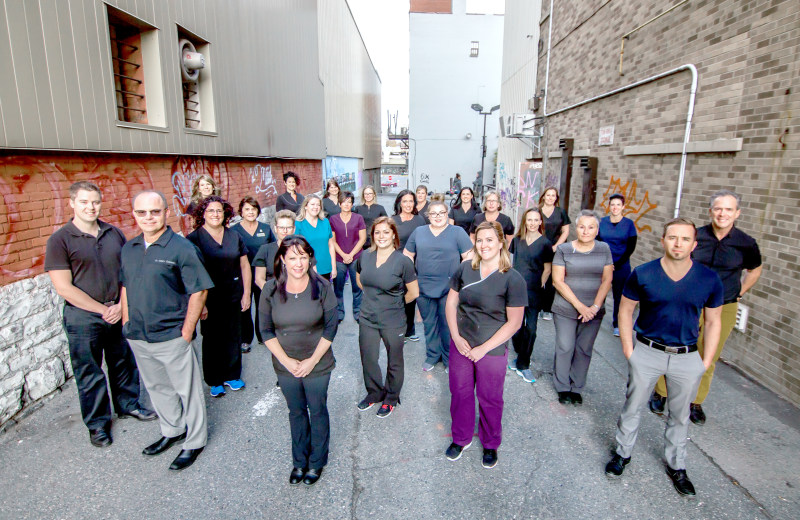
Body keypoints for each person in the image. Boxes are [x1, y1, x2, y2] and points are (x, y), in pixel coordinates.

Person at [605, 218, 723, 497]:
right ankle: (622, 454)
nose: (678, 243)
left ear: (694, 244)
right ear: (663, 240)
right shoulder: (644, 273)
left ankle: (676, 465)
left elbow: (714, 322)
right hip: (647, 351)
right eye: (672, 237)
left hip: (687, 356)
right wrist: (628, 349)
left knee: (680, 415)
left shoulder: (708, 278)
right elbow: (625, 310)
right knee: (632, 406)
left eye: (684, 239)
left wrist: (705, 362)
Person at [45, 181, 154, 448]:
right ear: (72, 203)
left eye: (95, 202)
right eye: (84, 202)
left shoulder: (112, 233)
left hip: (117, 308)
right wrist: (102, 310)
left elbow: (127, 271)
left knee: (123, 361)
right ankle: (98, 424)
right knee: (89, 371)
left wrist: (120, 305)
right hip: (83, 317)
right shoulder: (60, 239)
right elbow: (63, 287)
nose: (90, 207)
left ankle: (128, 404)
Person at [650, 189, 762, 424]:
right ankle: (662, 392)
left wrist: (739, 292)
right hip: (689, 303)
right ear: (710, 211)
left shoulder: (746, 243)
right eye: (718, 208)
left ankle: (695, 401)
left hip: (723, 306)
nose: (723, 214)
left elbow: (755, 270)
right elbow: (674, 260)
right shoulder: (695, 236)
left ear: (737, 213)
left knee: (708, 355)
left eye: (729, 209)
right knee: (673, 347)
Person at [121, 190, 213, 471]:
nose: (148, 217)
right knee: (158, 388)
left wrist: (186, 333)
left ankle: (195, 440)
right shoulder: (130, 248)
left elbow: (199, 291)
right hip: (139, 335)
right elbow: (125, 287)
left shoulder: (181, 248)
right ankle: (172, 430)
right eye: (142, 212)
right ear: (134, 214)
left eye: (155, 211)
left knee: (189, 391)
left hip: (172, 335)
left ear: (165, 213)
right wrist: (127, 324)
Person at [444, 221, 526, 468]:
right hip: (462, 343)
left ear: (501, 242)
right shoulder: (464, 269)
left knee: (490, 397)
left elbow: (514, 323)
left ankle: (490, 443)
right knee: (460, 392)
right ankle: (461, 437)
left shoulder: (513, 279)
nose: (484, 245)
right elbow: (451, 304)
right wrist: (457, 338)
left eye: (490, 239)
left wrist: (483, 348)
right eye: (480, 240)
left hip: (492, 347)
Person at [259, 236, 339, 486]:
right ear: (282, 259)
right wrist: (287, 361)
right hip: (285, 365)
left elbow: (330, 329)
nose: (298, 263)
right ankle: (299, 461)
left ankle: (316, 462)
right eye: (292, 257)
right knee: (295, 411)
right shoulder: (270, 290)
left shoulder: (323, 286)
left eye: (303, 257)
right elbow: (265, 331)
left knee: (317, 410)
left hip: (317, 363)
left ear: (310, 258)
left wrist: (311, 361)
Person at [355, 217, 419, 417]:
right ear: (372, 235)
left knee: (395, 360)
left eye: (386, 232)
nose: (381, 236)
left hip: (393, 320)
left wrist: (394, 304)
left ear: (393, 235)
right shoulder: (365, 256)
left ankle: (391, 398)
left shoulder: (403, 262)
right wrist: (374, 298)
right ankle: (374, 393)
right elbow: (360, 280)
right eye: (377, 232)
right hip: (367, 318)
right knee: (369, 358)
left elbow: (413, 293)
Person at [187, 196, 251, 398]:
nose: (215, 214)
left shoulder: (234, 237)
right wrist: (201, 304)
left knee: (233, 335)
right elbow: (191, 274)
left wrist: (247, 293)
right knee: (212, 338)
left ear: (225, 214)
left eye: (219, 211)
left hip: (233, 293)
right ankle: (215, 380)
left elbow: (244, 265)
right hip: (208, 298)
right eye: (211, 211)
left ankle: (232, 375)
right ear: (202, 215)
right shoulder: (194, 239)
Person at [551, 210, 613, 405]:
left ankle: (577, 386)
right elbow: (558, 281)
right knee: (565, 346)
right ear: (576, 228)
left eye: (591, 227)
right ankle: (562, 387)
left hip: (593, 311)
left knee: (584, 348)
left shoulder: (604, 249)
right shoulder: (564, 250)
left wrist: (594, 307)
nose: (586, 231)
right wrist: (580, 306)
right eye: (581, 226)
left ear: (597, 230)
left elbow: (607, 279)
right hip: (566, 308)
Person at [405, 200, 473, 371]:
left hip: (449, 288)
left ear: (447, 214)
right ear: (427, 216)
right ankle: (432, 356)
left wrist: (460, 278)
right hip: (423, 286)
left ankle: (449, 358)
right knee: (429, 324)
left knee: (447, 324)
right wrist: (411, 277)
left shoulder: (457, 232)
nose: (437, 216)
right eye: (433, 213)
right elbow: (407, 255)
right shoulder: (419, 232)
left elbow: (469, 256)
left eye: (441, 213)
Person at [509, 208, 554, 383]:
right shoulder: (517, 240)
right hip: (515, 289)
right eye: (529, 220)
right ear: (525, 222)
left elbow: (548, 268)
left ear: (540, 222)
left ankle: (523, 364)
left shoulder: (545, 243)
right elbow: (512, 262)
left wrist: (540, 284)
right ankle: (520, 356)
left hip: (534, 290)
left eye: (536, 220)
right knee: (516, 326)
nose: (533, 223)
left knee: (532, 329)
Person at [230, 197, 275, 353]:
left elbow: (273, 249)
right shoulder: (234, 231)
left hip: (262, 274)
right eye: (247, 209)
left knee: (263, 306)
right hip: (242, 275)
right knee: (245, 306)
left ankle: (263, 335)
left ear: (258, 211)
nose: (250, 212)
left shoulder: (266, 228)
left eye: (253, 209)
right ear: (241, 211)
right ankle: (245, 339)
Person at [597, 193, 638, 337]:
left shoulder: (628, 224)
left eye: (618, 205)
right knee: (598, 291)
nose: (615, 208)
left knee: (619, 295)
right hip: (603, 263)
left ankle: (617, 323)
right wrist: (605, 262)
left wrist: (617, 263)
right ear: (609, 206)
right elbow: (597, 243)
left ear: (623, 207)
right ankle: (594, 316)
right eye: (612, 204)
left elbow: (631, 246)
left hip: (621, 265)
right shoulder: (602, 222)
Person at [391, 190, 426, 341]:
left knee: (411, 296)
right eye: (404, 201)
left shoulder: (420, 220)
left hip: (416, 263)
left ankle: (410, 331)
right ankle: (398, 330)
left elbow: (425, 241)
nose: (408, 204)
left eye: (411, 201)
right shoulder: (392, 220)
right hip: (397, 263)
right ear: (399, 203)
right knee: (398, 296)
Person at [330, 191, 366, 322]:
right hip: (339, 258)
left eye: (349, 202)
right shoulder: (333, 219)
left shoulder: (358, 218)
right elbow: (332, 241)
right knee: (338, 287)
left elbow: (362, 239)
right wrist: (343, 255)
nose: (346, 204)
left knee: (357, 286)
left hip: (355, 257)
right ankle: (339, 313)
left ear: (352, 204)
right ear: (339, 203)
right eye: (344, 202)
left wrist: (350, 254)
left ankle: (358, 312)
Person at [539, 186, 571, 320]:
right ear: (543, 196)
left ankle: (547, 309)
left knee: (552, 278)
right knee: (539, 276)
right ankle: (537, 305)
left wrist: (556, 246)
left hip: (555, 249)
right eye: (548, 195)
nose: (550, 197)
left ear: (556, 198)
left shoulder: (561, 212)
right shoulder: (537, 211)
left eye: (553, 195)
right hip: (540, 247)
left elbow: (566, 231)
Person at [295, 195, 336, 281]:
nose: (315, 207)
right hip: (308, 268)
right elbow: (296, 248)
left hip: (326, 266)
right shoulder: (298, 224)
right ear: (306, 206)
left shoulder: (325, 222)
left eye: (318, 205)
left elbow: (331, 245)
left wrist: (334, 266)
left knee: (325, 293)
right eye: (312, 204)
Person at [254, 210, 296, 290]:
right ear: (276, 229)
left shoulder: (302, 249)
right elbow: (259, 279)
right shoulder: (265, 250)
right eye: (281, 227)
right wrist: (271, 294)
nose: (285, 231)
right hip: (272, 295)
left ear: (294, 229)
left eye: (289, 227)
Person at [354, 185, 387, 249]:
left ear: (374, 194)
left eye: (370, 193)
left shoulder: (380, 208)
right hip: (361, 241)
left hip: (376, 240)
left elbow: (386, 224)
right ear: (363, 195)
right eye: (366, 194)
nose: (368, 195)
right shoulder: (358, 208)